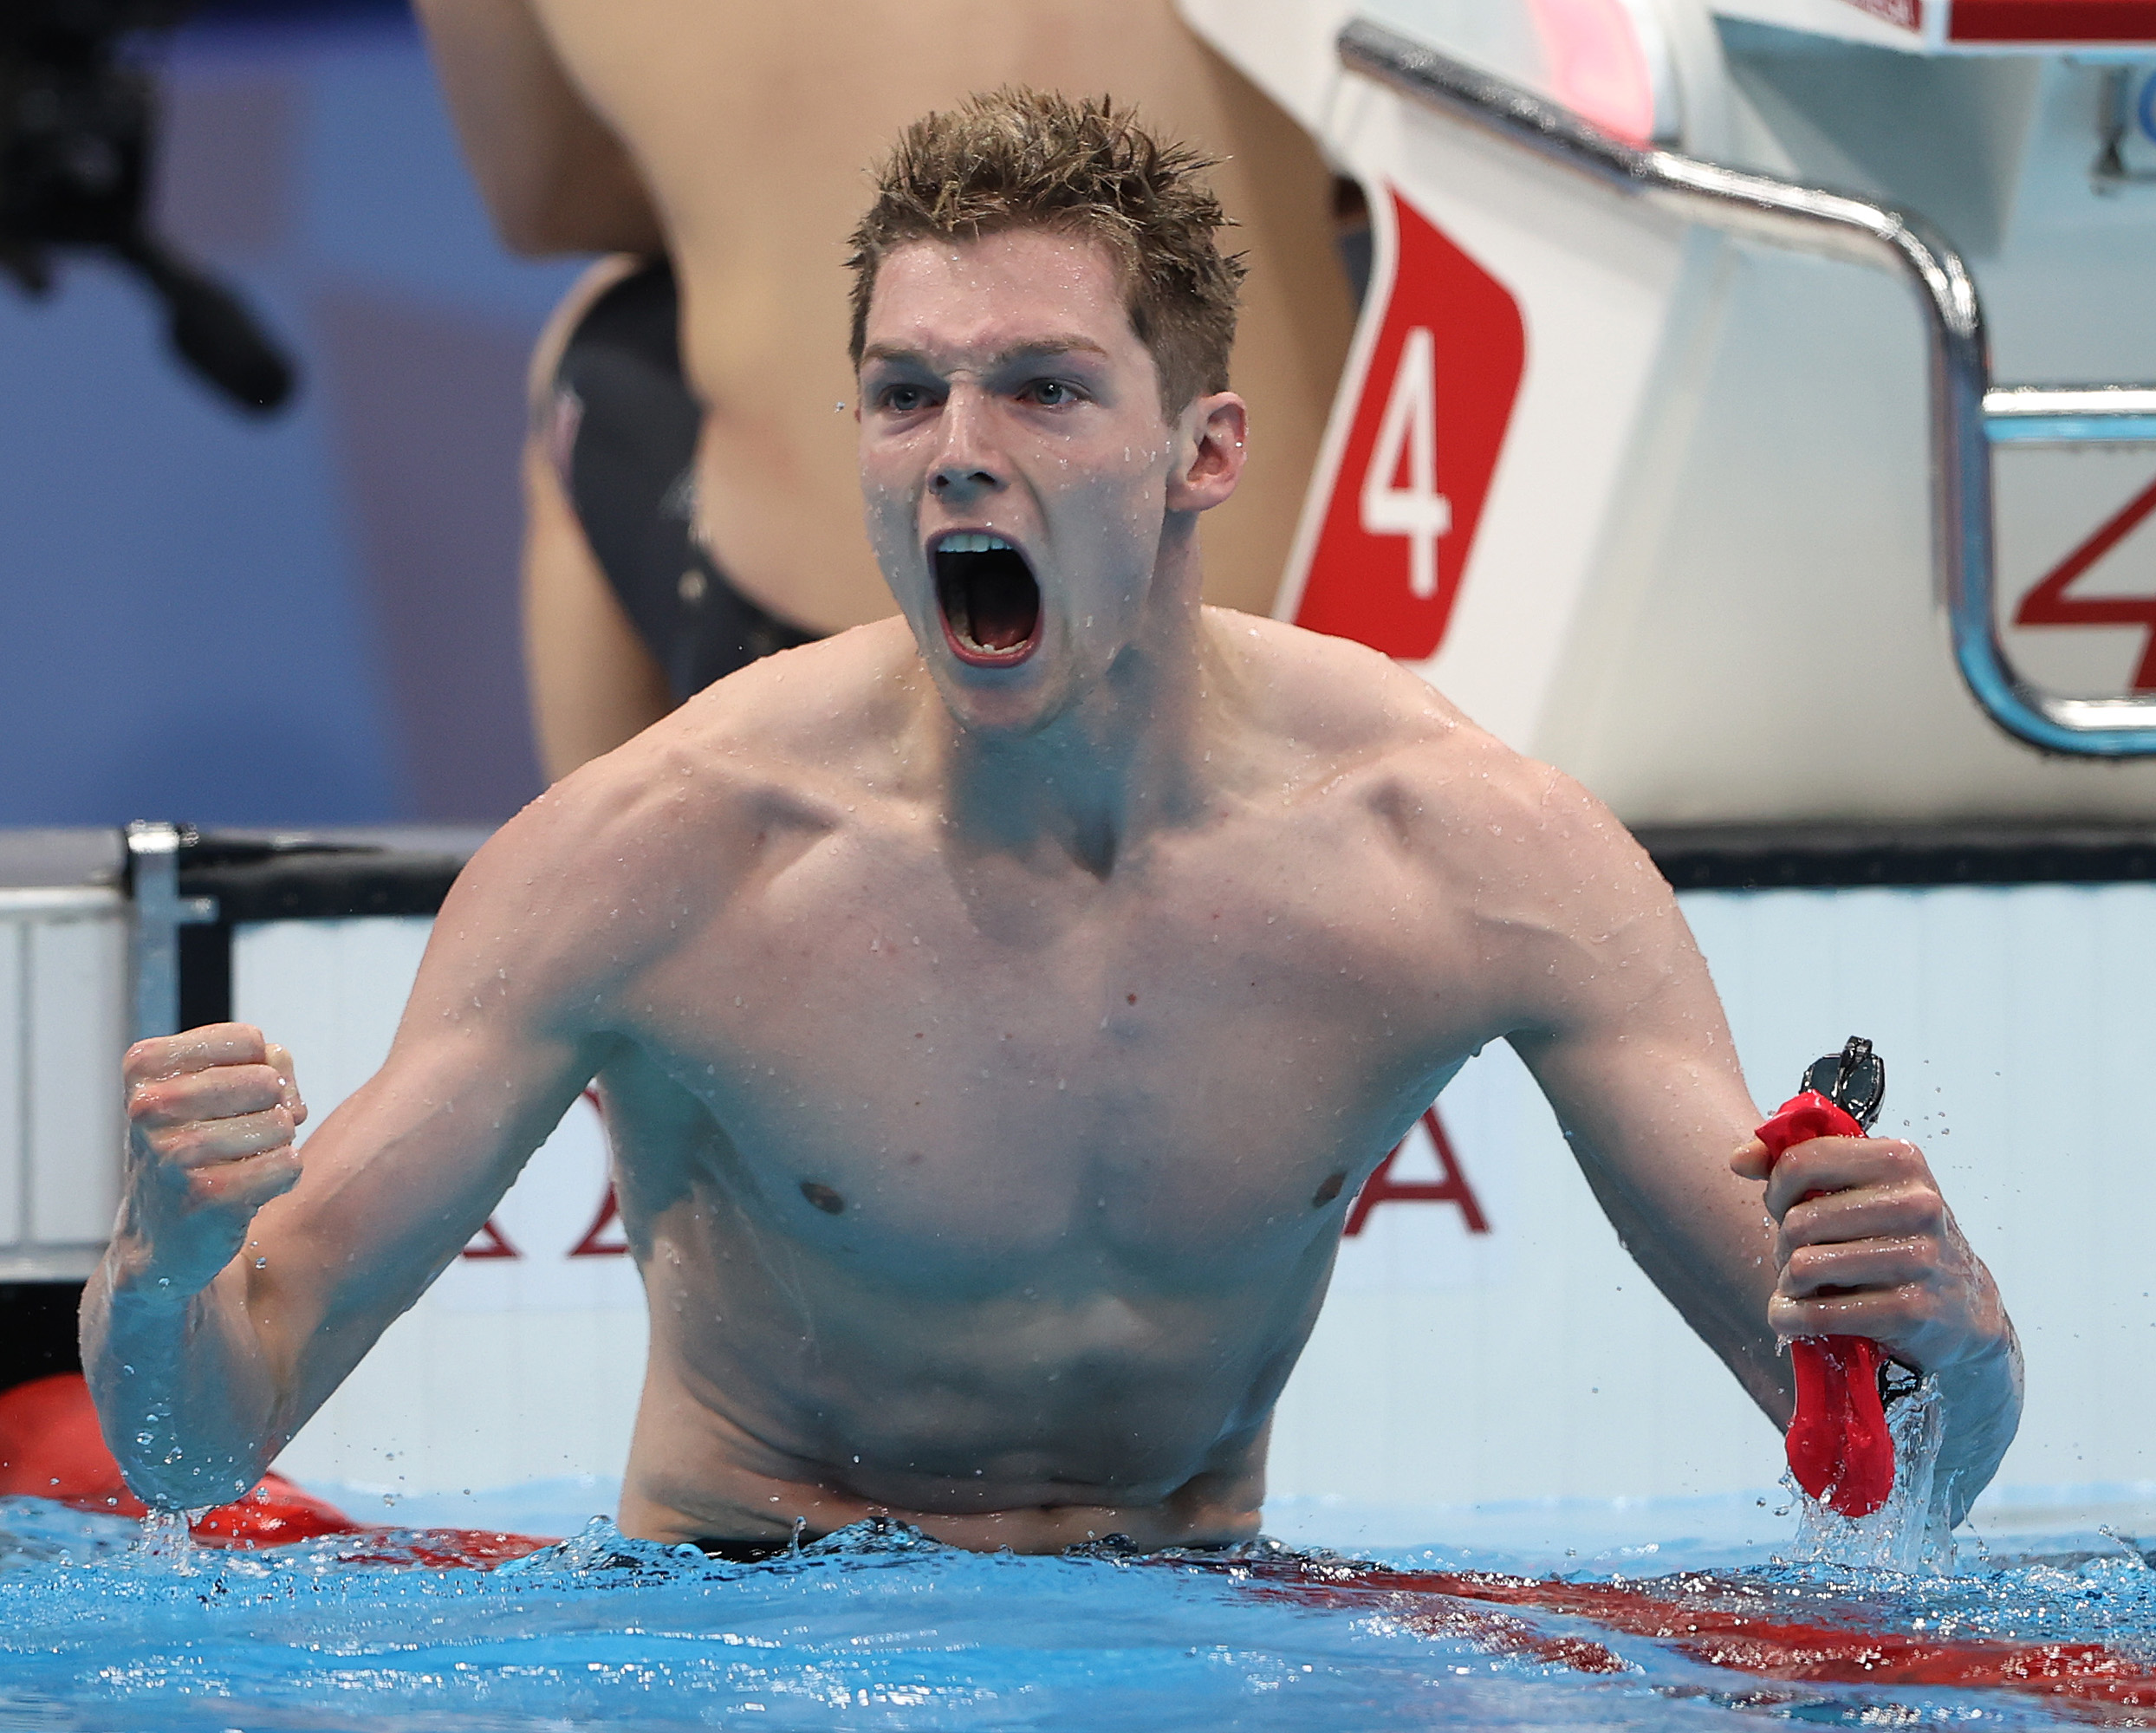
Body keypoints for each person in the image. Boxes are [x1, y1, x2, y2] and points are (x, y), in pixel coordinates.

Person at [82, 91, 2021, 1554]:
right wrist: (164, 1276)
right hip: (750, 1634)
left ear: (1204, 451)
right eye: (902, 394)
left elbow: (1891, 1470)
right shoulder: (658, 857)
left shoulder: (1461, 854)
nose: (957, 454)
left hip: (1194, 1630)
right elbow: (192, 1451)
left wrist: (1949, 1331)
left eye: (1041, 389)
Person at [412, 0, 1360, 780]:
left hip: (804, 656)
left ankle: (618, 928)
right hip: (1306, 637)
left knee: (599, 345)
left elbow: (550, 199)